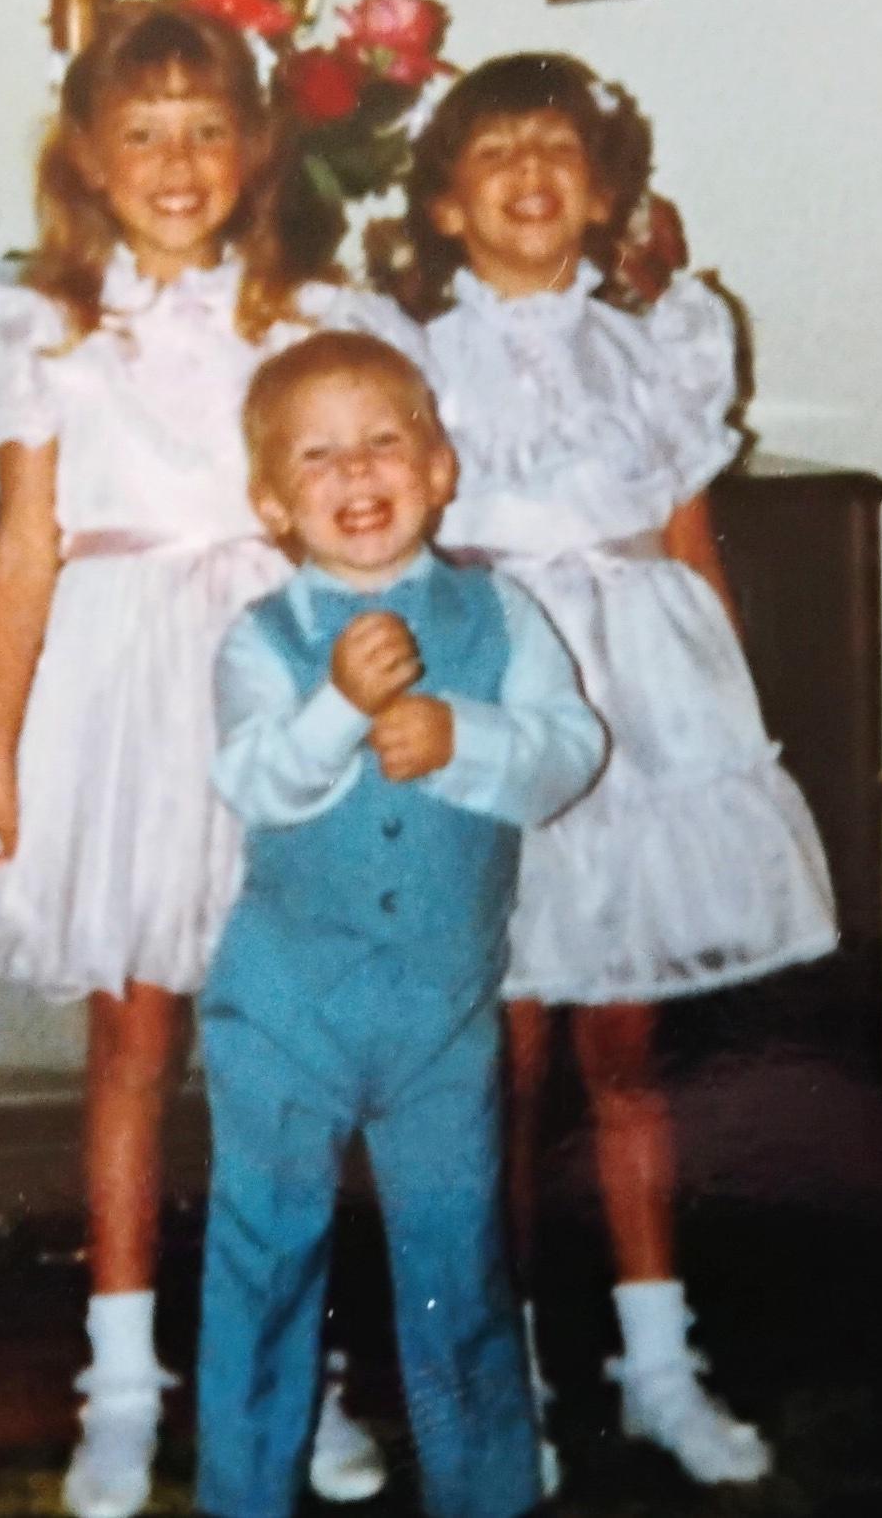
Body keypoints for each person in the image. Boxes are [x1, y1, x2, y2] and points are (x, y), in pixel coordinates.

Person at [0, 2, 382, 1518]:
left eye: (206, 129)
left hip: (280, 679)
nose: (177, 161)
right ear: (89, 160)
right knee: (132, 1043)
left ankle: (290, 1372)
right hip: (121, 693)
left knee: (291, 1056)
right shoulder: (46, 330)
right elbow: (22, 550)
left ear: (254, 149)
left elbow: (367, 519)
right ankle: (120, 1390)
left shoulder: (316, 312)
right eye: (143, 134)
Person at [396, 53, 839, 1487]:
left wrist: (727, 727)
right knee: (498, 1061)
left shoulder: (661, 347)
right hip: (500, 705)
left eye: (559, 152)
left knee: (629, 1058)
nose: (531, 174)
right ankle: (495, 1367)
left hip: (644, 720)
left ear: (601, 193)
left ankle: (657, 1360)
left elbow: (688, 543)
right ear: (448, 207)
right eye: (496, 155)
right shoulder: (416, 361)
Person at [197, 331, 605, 1518]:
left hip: (441, 1016)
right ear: (274, 500)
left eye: (384, 441)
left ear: (439, 468)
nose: (357, 472)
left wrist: (462, 737)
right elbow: (255, 782)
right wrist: (340, 707)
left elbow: (571, 753)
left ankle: (485, 1494)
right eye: (318, 456)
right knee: (263, 1266)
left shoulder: (501, 613)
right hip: (282, 1012)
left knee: (456, 1276)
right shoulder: (260, 641)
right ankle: (242, 1496)